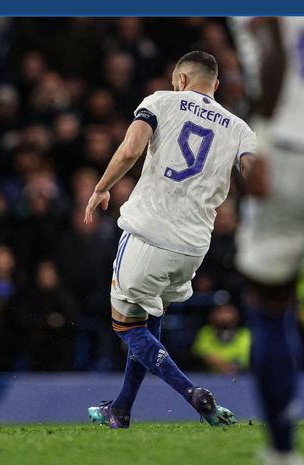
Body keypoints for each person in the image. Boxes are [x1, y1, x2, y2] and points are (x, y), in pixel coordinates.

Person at [84, 50, 256, 428]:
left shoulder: (160, 101)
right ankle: (122, 409)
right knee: (149, 318)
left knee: (126, 327)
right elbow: (255, 177)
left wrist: (101, 187)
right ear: (216, 86)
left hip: (148, 233)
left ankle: (192, 393)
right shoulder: (239, 127)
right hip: (193, 248)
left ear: (180, 80)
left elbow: (131, 149)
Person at [234, 17, 304, 465]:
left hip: (290, 150)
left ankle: (282, 451)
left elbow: (271, 43)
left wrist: (261, 134)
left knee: (269, 302)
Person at [192, 303, 250, 375]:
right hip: (208, 375)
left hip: (238, 375)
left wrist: (228, 366)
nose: (223, 316)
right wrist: (219, 363)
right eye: (220, 312)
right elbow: (201, 352)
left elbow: (244, 357)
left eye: (227, 312)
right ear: (212, 315)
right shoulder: (206, 331)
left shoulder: (244, 333)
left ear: (236, 315)